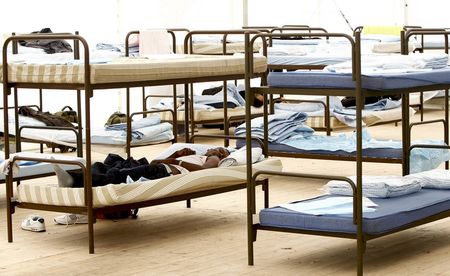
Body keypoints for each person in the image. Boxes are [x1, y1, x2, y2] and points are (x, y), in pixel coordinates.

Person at [53, 147, 230, 188]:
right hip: (158, 167)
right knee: (102, 165)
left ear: (222, 155)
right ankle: (75, 176)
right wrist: (176, 154)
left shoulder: (212, 158)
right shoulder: (192, 154)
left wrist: (177, 162)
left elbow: (206, 171)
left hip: (163, 172)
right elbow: (155, 161)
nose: (214, 148)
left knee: (118, 176)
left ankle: (74, 180)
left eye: (220, 150)